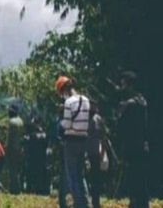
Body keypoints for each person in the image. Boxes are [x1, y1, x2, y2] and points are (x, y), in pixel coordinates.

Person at [57, 76, 91, 208]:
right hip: (83, 140)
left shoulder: (69, 102)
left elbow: (66, 124)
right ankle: (86, 202)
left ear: (64, 89)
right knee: (81, 174)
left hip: (71, 141)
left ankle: (78, 204)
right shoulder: (86, 100)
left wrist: (60, 122)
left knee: (72, 176)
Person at [117, 71, 149, 208]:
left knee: (132, 178)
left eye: (123, 84)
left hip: (131, 146)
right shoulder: (143, 102)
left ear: (129, 85)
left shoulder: (129, 105)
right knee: (141, 179)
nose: (121, 87)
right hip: (142, 145)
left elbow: (120, 126)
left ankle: (134, 204)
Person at [87, 101, 113, 208]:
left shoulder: (96, 119)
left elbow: (103, 137)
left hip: (95, 152)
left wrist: (102, 153)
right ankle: (92, 200)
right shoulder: (88, 119)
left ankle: (95, 201)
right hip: (89, 151)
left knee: (95, 178)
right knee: (91, 177)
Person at [24, 117, 49, 195]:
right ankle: (41, 189)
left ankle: (30, 189)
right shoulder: (44, 135)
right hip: (42, 158)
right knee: (41, 173)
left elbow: (28, 145)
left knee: (31, 173)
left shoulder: (32, 135)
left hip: (33, 158)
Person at [6, 104, 25, 194]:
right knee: (17, 169)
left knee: (12, 169)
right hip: (20, 148)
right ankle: (18, 187)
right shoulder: (21, 121)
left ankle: (14, 189)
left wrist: (7, 148)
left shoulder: (11, 122)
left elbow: (9, 138)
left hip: (12, 148)